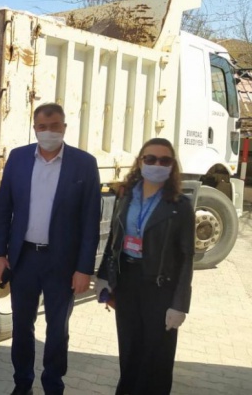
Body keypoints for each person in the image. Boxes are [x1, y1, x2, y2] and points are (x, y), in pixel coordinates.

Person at [0, 103, 101, 395]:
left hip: (62, 263)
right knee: (21, 327)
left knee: (57, 330)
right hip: (24, 259)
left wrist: (84, 268)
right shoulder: (18, 158)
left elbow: (90, 220)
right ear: (35, 128)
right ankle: (22, 384)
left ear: (64, 127)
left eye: (54, 126)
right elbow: (3, 209)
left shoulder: (84, 164)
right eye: (42, 127)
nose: (48, 132)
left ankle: (53, 386)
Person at [95, 138, 194, 395]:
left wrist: (180, 304)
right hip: (127, 282)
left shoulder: (180, 206)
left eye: (164, 160)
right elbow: (115, 238)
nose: (157, 164)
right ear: (140, 162)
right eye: (150, 159)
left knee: (157, 357)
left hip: (160, 287)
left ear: (172, 166)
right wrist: (104, 278)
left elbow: (186, 258)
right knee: (130, 351)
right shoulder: (125, 195)